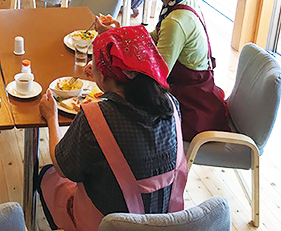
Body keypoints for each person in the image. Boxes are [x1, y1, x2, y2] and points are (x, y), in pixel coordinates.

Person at [37, 26, 187, 230]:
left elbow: (62, 167)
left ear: (106, 75)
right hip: (166, 222)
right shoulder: (171, 104)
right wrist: (106, 82)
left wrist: (51, 117)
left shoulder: (95, 117)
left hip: (108, 225)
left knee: (48, 175)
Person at [97, 0, 231, 141]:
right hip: (198, 94)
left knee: (113, 107)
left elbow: (156, 79)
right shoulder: (181, 1)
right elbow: (154, 38)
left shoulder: (176, 21)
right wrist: (116, 34)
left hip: (188, 109)